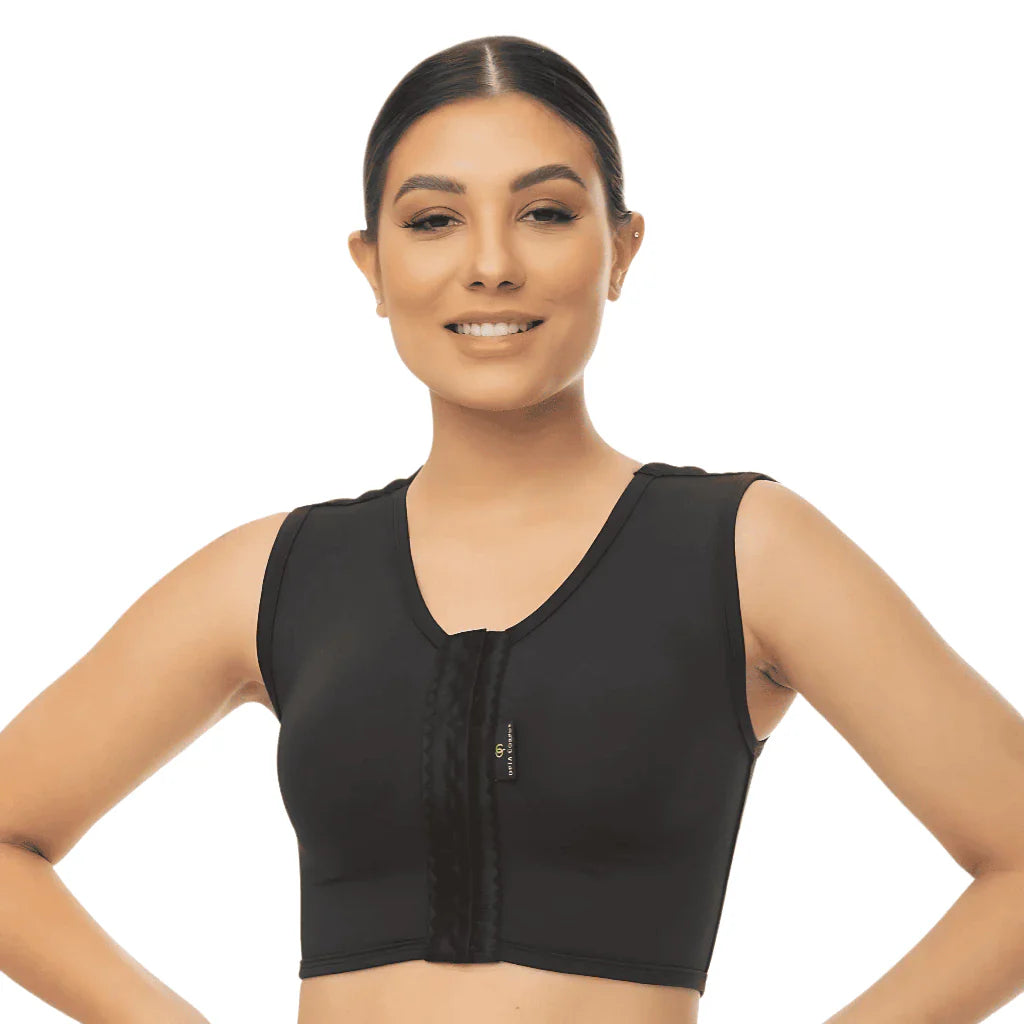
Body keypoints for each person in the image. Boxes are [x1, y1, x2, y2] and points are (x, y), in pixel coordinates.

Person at [2, 33, 1023, 1024]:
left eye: (543, 212)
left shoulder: (745, 550)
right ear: (371, 267)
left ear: (621, 248)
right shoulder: (279, 573)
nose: (491, 265)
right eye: (433, 220)